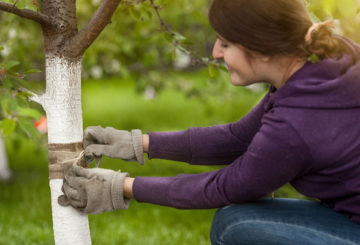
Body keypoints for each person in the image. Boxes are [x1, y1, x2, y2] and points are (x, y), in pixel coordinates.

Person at [58, 0, 360, 244]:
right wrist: (138, 143)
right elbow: (237, 138)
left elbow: (223, 187)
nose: (215, 52)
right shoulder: (323, 66)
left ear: (263, 49)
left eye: (226, 43)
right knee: (236, 218)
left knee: (236, 227)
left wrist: (119, 187)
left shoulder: (296, 122)